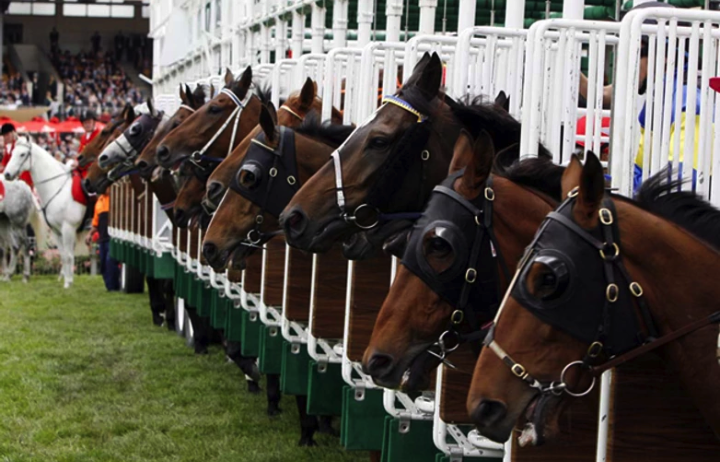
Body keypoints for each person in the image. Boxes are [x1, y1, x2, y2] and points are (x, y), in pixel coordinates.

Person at [86, 192, 120, 291]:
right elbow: (95, 223)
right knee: (104, 264)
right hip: (102, 239)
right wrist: (89, 234)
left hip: (113, 237)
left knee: (110, 261)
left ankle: (115, 286)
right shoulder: (99, 202)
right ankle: (109, 287)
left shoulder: (115, 198)